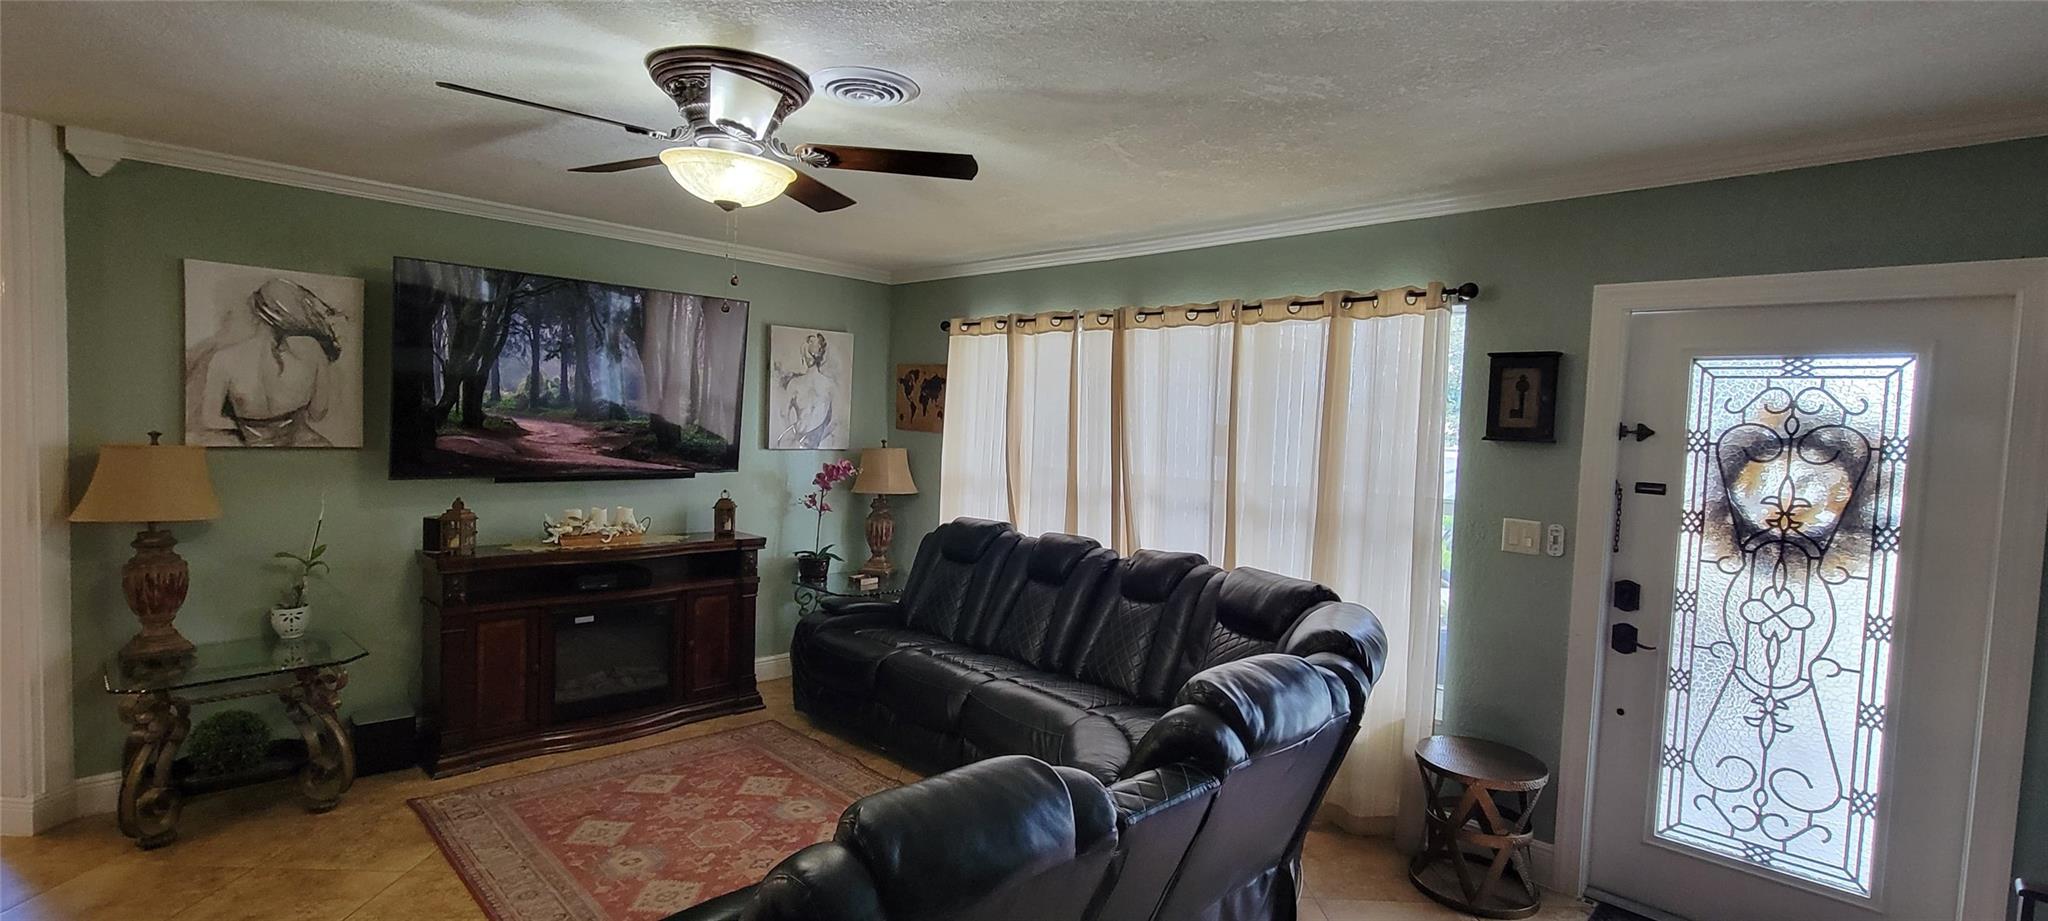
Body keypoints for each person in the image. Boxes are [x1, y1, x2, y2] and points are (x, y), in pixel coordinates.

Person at [186, 277, 343, 447]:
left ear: (254, 311)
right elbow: (318, 413)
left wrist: (252, 429)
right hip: (303, 445)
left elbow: (210, 419)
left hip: (251, 446)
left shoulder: (223, 358)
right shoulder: (311, 348)